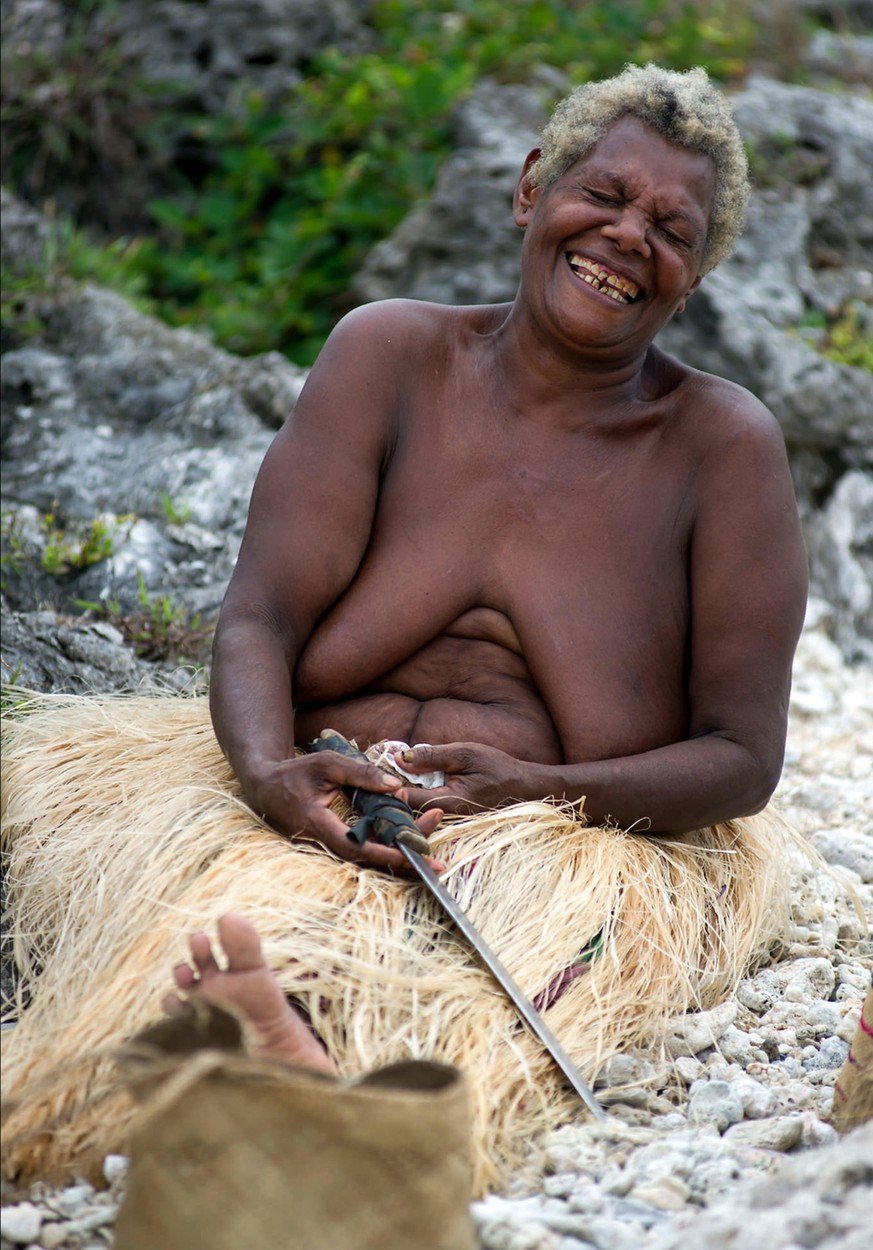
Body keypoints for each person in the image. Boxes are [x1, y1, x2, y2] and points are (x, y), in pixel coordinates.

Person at [209, 63, 807, 868]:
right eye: (603, 195)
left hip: (549, 856)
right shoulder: (385, 356)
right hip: (301, 810)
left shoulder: (722, 449)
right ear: (531, 189)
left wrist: (535, 792)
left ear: (692, 279)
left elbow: (741, 758)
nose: (629, 236)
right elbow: (257, 618)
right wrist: (266, 774)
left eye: (671, 232)